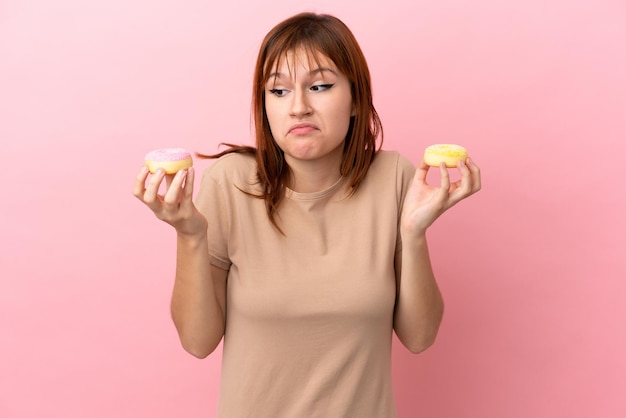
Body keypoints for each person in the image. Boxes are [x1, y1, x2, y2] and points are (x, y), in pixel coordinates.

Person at [133, 12, 481, 417]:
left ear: (355, 99)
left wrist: (414, 233)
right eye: (277, 91)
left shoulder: (395, 178)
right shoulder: (230, 183)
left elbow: (420, 337)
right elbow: (197, 342)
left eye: (320, 86)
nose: (298, 107)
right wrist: (190, 235)